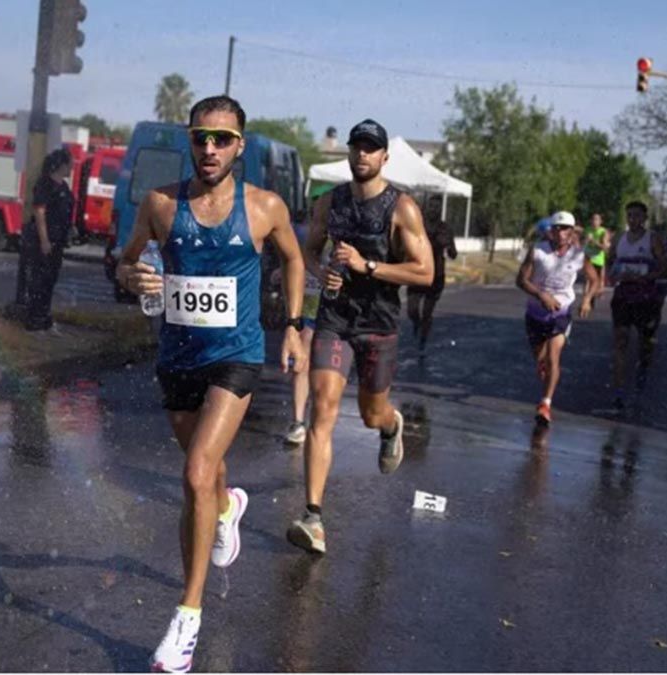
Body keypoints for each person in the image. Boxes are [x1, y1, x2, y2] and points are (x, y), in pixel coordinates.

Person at [116, 95, 306, 673]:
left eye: (222, 139)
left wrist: (295, 327)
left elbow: (295, 260)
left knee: (196, 471)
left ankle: (187, 619)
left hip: (236, 358)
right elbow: (125, 266)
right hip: (178, 357)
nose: (210, 149)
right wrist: (135, 275)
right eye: (201, 137)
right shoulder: (160, 205)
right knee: (208, 476)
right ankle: (227, 507)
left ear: (239, 146)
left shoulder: (264, 207)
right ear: (188, 140)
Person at [287, 119, 434, 556]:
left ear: (384, 157)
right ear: (348, 153)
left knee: (371, 414)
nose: (362, 155)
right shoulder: (329, 204)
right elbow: (308, 252)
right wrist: (325, 273)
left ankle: (391, 426)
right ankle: (313, 516)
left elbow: (424, 272)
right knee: (322, 409)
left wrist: (367, 267)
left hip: (379, 324)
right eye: (357, 148)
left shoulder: (401, 208)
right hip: (335, 320)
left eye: (371, 149)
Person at [516, 211, 601, 426]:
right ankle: (544, 374)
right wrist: (541, 295)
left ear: (572, 232)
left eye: (565, 229)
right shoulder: (538, 251)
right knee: (542, 359)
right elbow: (521, 280)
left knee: (554, 356)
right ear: (551, 231)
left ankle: (545, 404)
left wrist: (586, 300)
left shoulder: (579, 255)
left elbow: (594, 280)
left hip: (561, 314)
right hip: (535, 313)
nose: (561, 233)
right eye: (557, 228)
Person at [609, 201, 667, 409]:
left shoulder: (652, 239)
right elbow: (611, 263)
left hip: (646, 298)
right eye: (629, 216)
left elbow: (666, 268)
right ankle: (618, 391)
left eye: (637, 216)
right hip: (623, 295)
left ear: (645, 218)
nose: (633, 219)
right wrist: (614, 275)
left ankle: (643, 368)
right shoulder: (619, 238)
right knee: (620, 340)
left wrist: (646, 277)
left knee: (645, 343)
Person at [25, 148, 74, 335]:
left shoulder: (63, 186)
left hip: (58, 239)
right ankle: (34, 319)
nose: (72, 167)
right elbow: (39, 212)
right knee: (39, 280)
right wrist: (44, 240)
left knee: (50, 280)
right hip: (44, 239)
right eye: (70, 163)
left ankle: (44, 317)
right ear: (61, 165)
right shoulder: (46, 184)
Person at [406, 210, 457, 352]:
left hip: (436, 275)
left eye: (436, 207)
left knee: (427, 312)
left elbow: (453, 253)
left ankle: (423, 340)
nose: (433, 210)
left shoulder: (445, 229)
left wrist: (448, 247)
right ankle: (417, 323)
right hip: (417, 272)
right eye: (431, 207)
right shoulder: (419, 226)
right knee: (412, 309)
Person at [283, 263, 322, 445]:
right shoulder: (301, 234)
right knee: (302, 355)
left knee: (325, 367)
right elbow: (292, 256)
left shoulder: (344, 234)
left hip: (336, 306)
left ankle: (322, 418)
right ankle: (298, 421)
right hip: (309, 302)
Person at [582, 212, 610, 287]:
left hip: (598, 260)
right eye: (593, 219)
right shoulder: (587, 229)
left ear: (601, 221)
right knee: (587, 280)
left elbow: (604, 247)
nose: (594, 221)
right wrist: (586, 241)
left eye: (596, 219)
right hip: (588, 258)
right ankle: (586, 297)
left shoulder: (603, 232)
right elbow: (582, 244)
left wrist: (593, 241)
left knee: (596, 283)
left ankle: (593, 296)